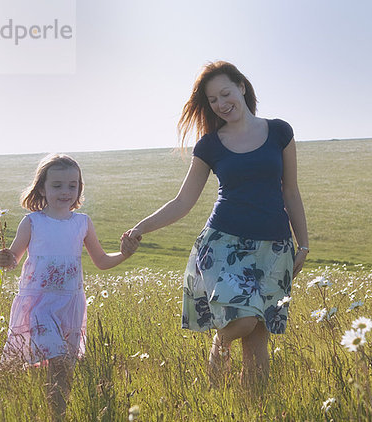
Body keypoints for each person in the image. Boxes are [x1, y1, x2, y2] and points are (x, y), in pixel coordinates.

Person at [123, 61, 309, 386]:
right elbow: (183, 201)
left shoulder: (280, 132)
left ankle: (252, 408)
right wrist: (141, 227)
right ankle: (217, 364)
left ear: (242, 87)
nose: (222, 104)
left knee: (258, 340)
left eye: (226, 93)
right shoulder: (210, 144)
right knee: (242, 322)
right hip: (224, 245)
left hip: (274, 247)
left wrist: (302, 243)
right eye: (213, 100)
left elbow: (290, 191)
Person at [0, 153, 139, 420]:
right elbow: (12, 260)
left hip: (70, 306)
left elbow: (101, 261)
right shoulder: (33, 222)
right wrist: (4, 259)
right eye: (57, 185)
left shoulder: (82, 223)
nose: (65, 191)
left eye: (72, 185)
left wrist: (125, 254)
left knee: (64, 367)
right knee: (58, 358)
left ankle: (56, 414)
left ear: (79, 188)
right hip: (40, 305)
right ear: (42, 188)